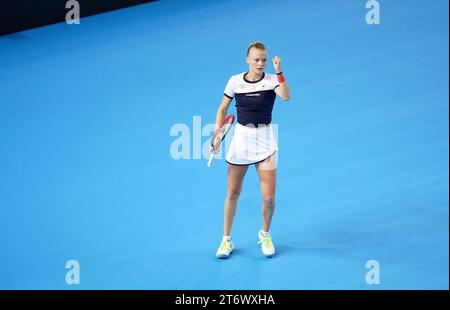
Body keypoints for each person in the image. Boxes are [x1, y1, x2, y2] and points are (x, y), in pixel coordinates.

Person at [211, 42, 291, 258]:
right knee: (233, 193)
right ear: (247, 59)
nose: (260, 63)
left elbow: (285, 96)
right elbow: (222, 109)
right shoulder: (235, 81)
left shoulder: (272, 79)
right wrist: (218, 133)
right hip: (241, 142)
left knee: (269, 198)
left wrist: (280, 71)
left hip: (266, 143)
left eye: (264, 60)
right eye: (256, 59)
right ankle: (226, 240)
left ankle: (265, 234)